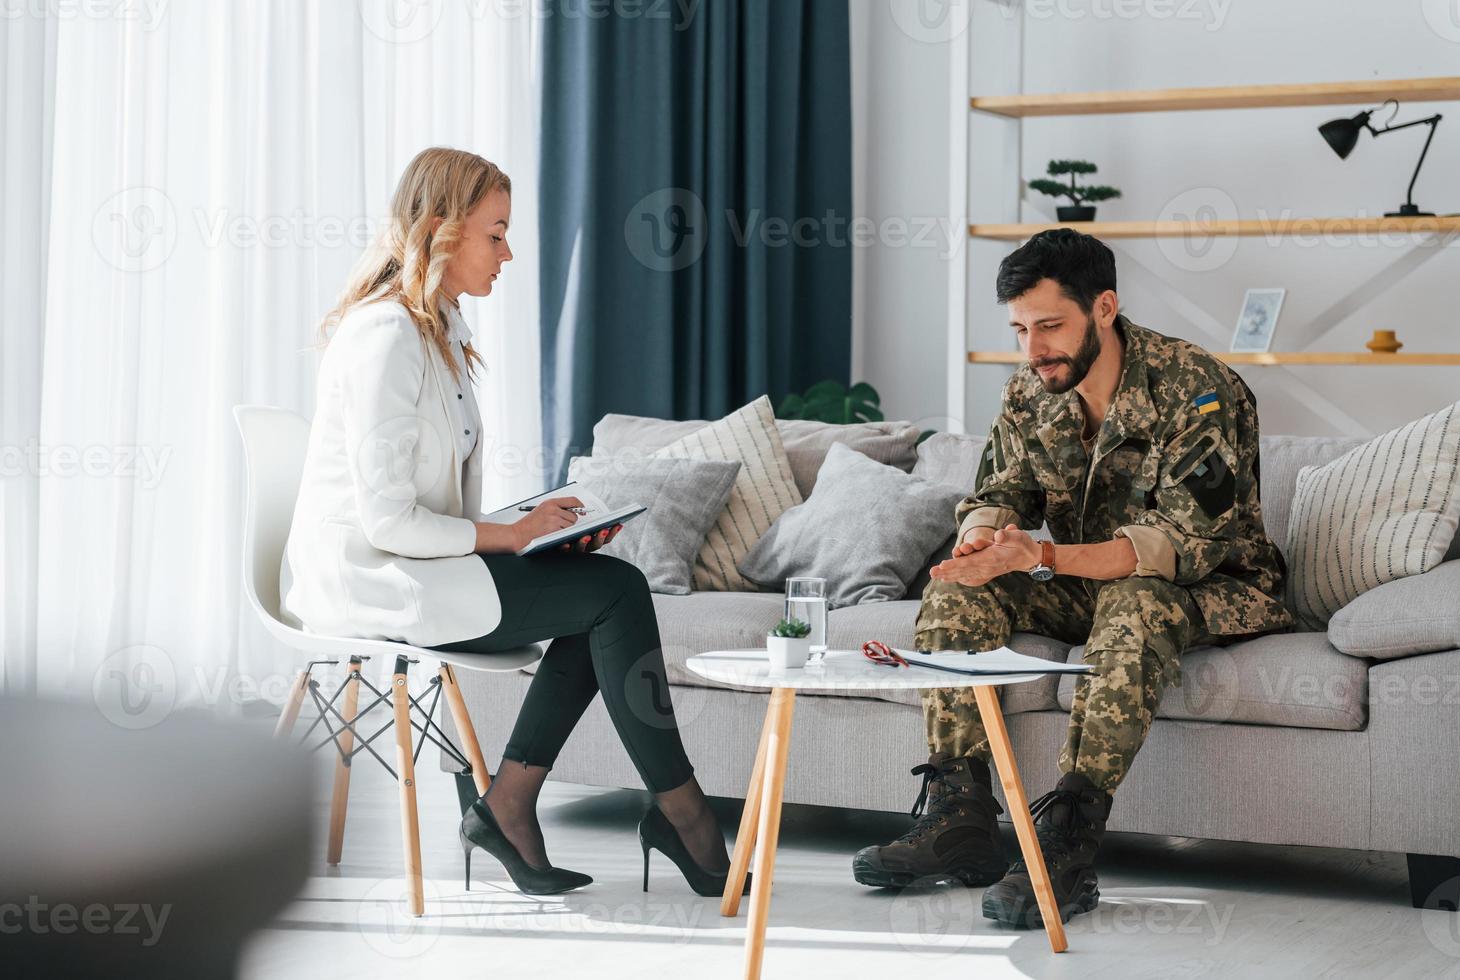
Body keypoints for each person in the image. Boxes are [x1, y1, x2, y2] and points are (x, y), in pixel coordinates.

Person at [279, 147, 740, 898]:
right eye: (495, 233)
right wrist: (513, 537)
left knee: (602, 589)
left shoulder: (442, 330)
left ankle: (518, 806)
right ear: (440, 230)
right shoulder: (386, 338)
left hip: (417, 563)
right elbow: (390, 520)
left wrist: (532, 527)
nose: (508, 251)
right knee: (614, 594)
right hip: (373, 577)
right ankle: (678, 815)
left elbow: (440, 513)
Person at [851, 228, 1293, 927]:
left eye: (1050, 326)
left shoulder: (1196, 387)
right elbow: (999, 490)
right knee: (956, 591)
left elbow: (1181, 546)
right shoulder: (1031, 390)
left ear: (1106, 307)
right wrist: (980, 544)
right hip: (1095, 583)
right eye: (1021, 329)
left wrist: (1040, 556)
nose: (1034, 349)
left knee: (1138, 601)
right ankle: (959, 819)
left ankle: (1066, 849)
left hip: (1214, 584)